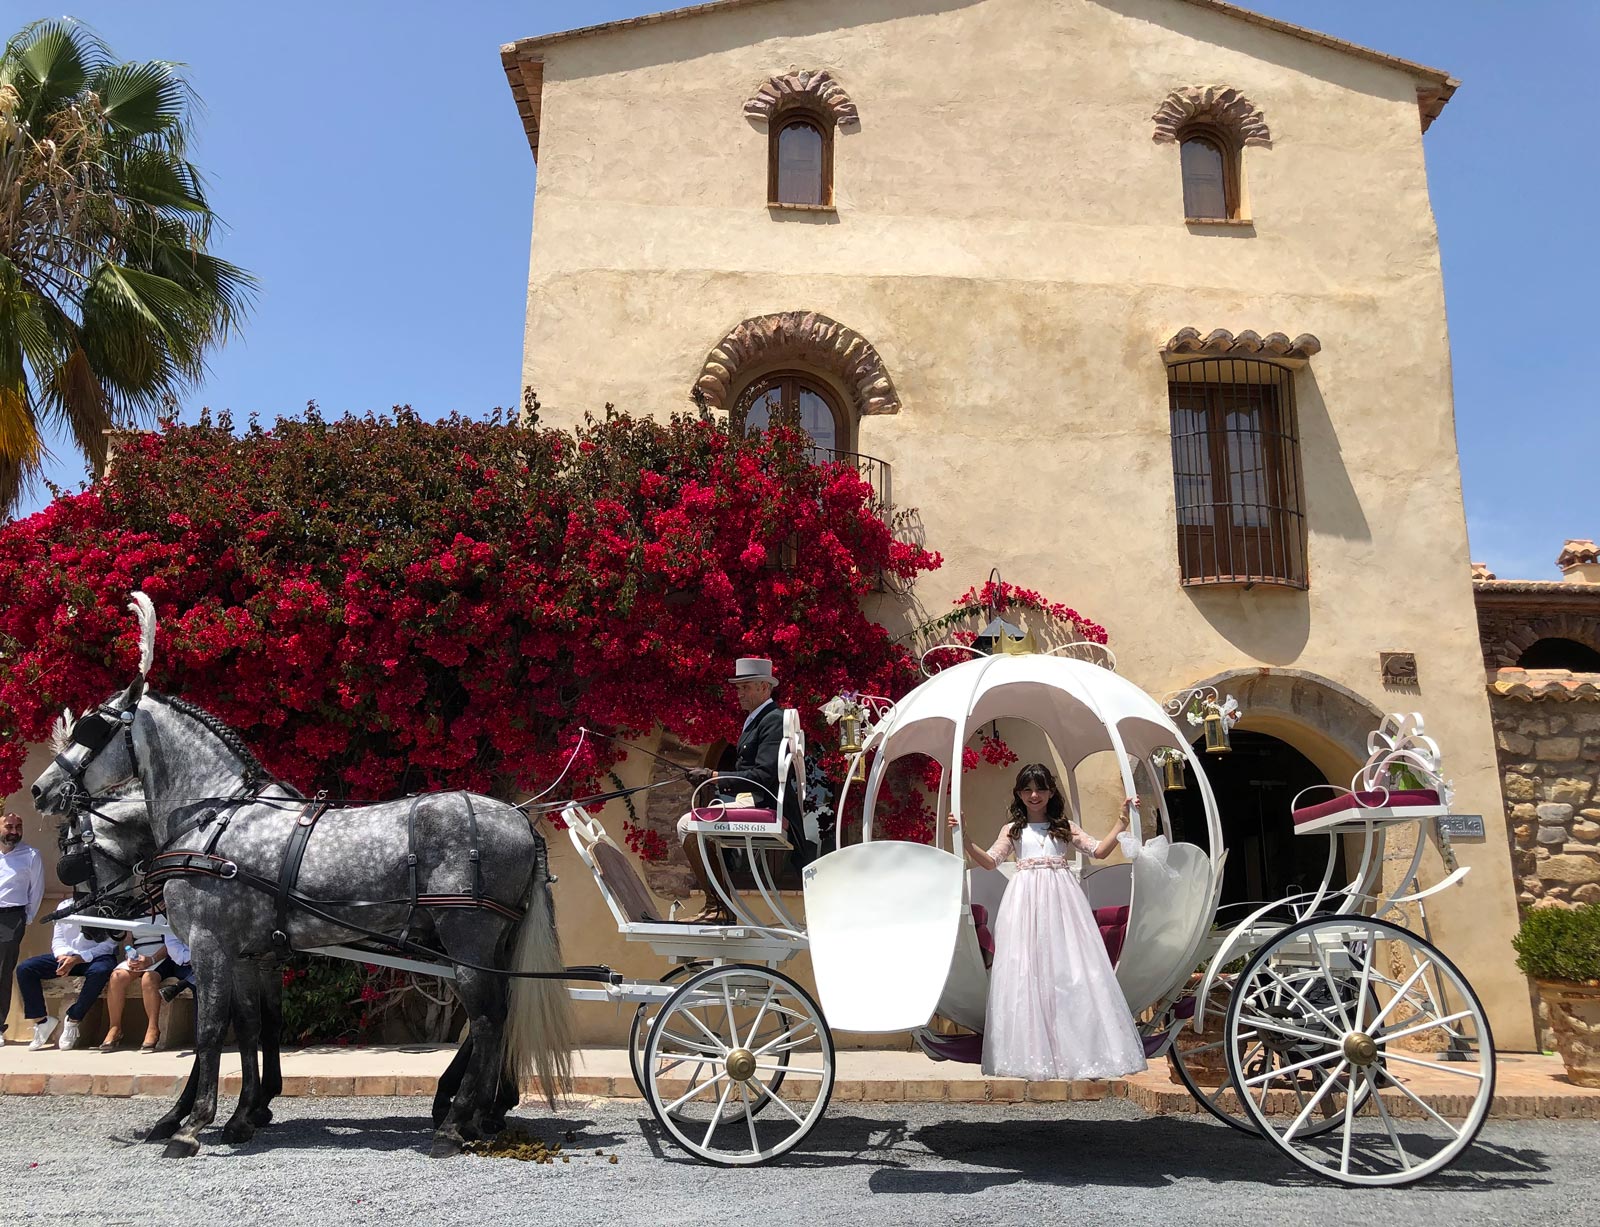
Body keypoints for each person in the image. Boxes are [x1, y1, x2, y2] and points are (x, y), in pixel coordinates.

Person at [952, 762, 1148, 1081]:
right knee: (1027, 968)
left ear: (1051, 791)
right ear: (1018, 793)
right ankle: (1032, 1053)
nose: (1034, 795)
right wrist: (964, 837)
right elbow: (990, 861)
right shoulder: (1012, 830)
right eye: (1027, 789)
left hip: (1063, 902)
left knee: (1067, 967)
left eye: (1040, 789)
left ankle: (1078, 1048)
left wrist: (1122, 822)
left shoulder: (1064, 827)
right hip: (1024, 903)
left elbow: (1098, 851)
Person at [674, 656, 803, 925]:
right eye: (738, 688)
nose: (739, 693)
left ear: (764, 687)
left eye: (745, 687)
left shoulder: (772, 720)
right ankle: (719, 907)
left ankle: (717, 908)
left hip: (763, 802)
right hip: (755, 800)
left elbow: (764, 776)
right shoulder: (758, 719)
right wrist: (713, 778)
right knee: (699, 824)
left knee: (687, 825)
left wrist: (713, 776)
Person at [15, 919, 119, 1050]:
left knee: (100, 972)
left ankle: (73, 1019)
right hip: (67, 957)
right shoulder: (63, 908)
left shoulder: (106, 909)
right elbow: (58, 939)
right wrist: (62, 956)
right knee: (26, 969)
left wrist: (79, 958)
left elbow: (109, 945)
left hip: (98, 956)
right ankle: (42, 1021)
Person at [101, 919, 194, 1053]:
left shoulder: (165, 913)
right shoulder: (135, 913)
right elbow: (128, 940)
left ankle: (153, 1028)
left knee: (148, 978)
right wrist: (129, 955)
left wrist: (151, 960)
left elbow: (171, 942)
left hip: (162, 956)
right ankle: (114, 1028)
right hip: (138, 954)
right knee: (117, 977)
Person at [0, 811, 45, 1046]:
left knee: (2, 972)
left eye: (18, 827)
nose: (14, 832)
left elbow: (36, 891)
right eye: (9, 827)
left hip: (11, 917)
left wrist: (25, 919)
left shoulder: (30, 855)